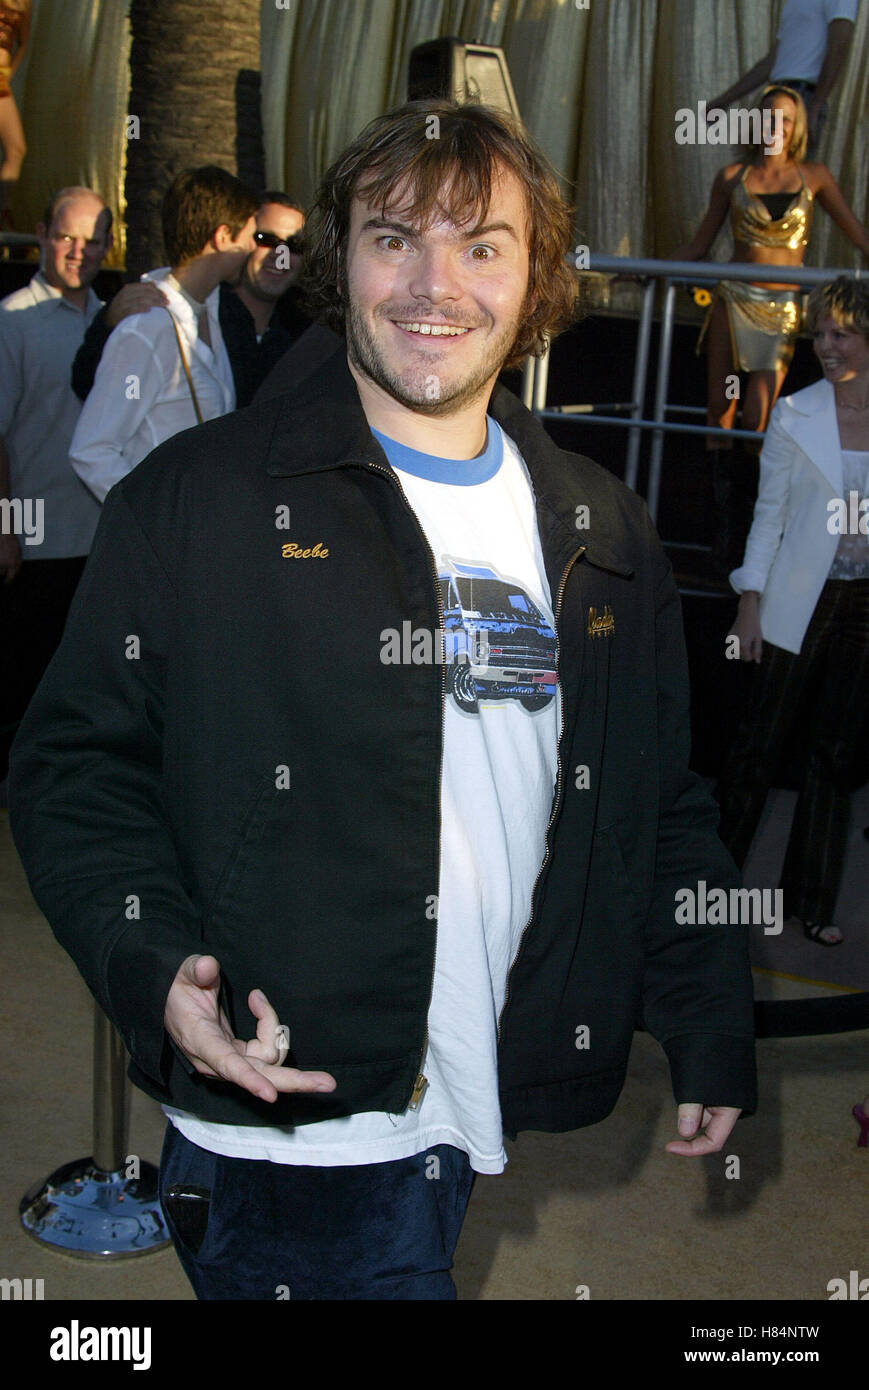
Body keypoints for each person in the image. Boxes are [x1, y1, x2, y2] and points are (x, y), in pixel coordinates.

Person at [8, 100, 757, 1302]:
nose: (432, 282)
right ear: (337, 259)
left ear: (536, 276)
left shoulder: (596, 527)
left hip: (469, 1101)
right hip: (293, 1134)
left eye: (480, 244)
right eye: (391, 236)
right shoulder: (199, 501)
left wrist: (706, 1007)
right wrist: (152, 965)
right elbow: (74, 769)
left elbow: (651, 797)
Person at [716, 276, 869, 949]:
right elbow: (769, 514)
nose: (825, 346)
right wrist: (748, 602)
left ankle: (810, 903)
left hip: (863, 603)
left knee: (834, 757)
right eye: (820, 333)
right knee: (755, 749)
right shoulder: (793, 412)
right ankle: (712, 896)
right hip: (793, 602)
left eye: (841, 333)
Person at [672, 85, 869, 573]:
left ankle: (751, 534)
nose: (773, 129)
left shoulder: (814, 177)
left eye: (783, 120)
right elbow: (699, 245)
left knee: (759, 417)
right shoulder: (732, 176)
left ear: (796, 127)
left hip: (781, 309)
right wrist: (639, 269)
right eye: (766, 119)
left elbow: (858, 235)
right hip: (732, 301)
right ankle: (723, 533)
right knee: (720, 409)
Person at [0, 186, 112, 787]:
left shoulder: (114, 321)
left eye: (92, 240)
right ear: (41, 235)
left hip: (96, 542)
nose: (78, 251)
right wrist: (8, 531)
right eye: (67, 237)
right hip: (34, 542)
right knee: (22, 677)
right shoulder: (11, 320)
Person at [68, 165, 257, 502]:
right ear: (223, 236)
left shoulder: (220, 315)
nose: (253, 250)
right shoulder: (147, 327)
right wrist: (152, 518)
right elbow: (92, 450)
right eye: (251, 238)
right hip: (164, 541)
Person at [71, 192, 312, 411]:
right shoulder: (182, 310)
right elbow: (89, 387)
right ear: (242, 239)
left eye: (295, 245)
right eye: (266, 239)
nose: (280, 256)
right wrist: (110, 324)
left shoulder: (306, 333)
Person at [706, 0, 858, 151]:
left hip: (802, 98)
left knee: (788, 172)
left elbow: (839, 48)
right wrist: (724, 100)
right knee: (760, 170)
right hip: (775, 95)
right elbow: (771, 62)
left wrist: (815, 106)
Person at [0, 0, 29, 228]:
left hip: (1, 80)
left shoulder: (26, 4)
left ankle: (3, 212)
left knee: (16, 149)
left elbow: (23, 44)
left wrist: (8, 76)